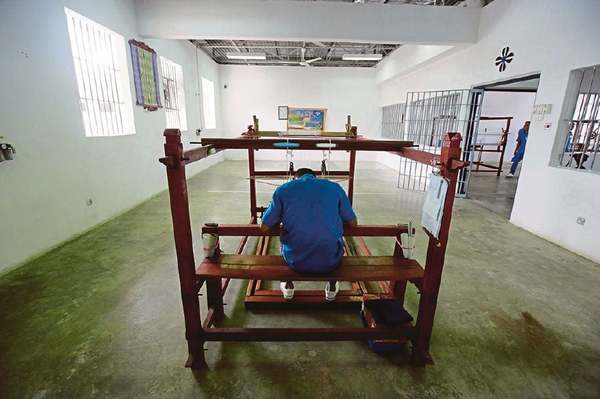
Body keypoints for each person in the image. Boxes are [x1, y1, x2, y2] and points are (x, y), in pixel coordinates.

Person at [260, 168, 358, 301]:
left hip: (296, 260)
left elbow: (264, 227)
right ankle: (333, 285)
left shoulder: (283, 189)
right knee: (334, 240)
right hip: (330, 260)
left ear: (296, 178)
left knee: (284, 240)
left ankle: (288, 284)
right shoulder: (335, 188)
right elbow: (353, 223)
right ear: (314, 177)